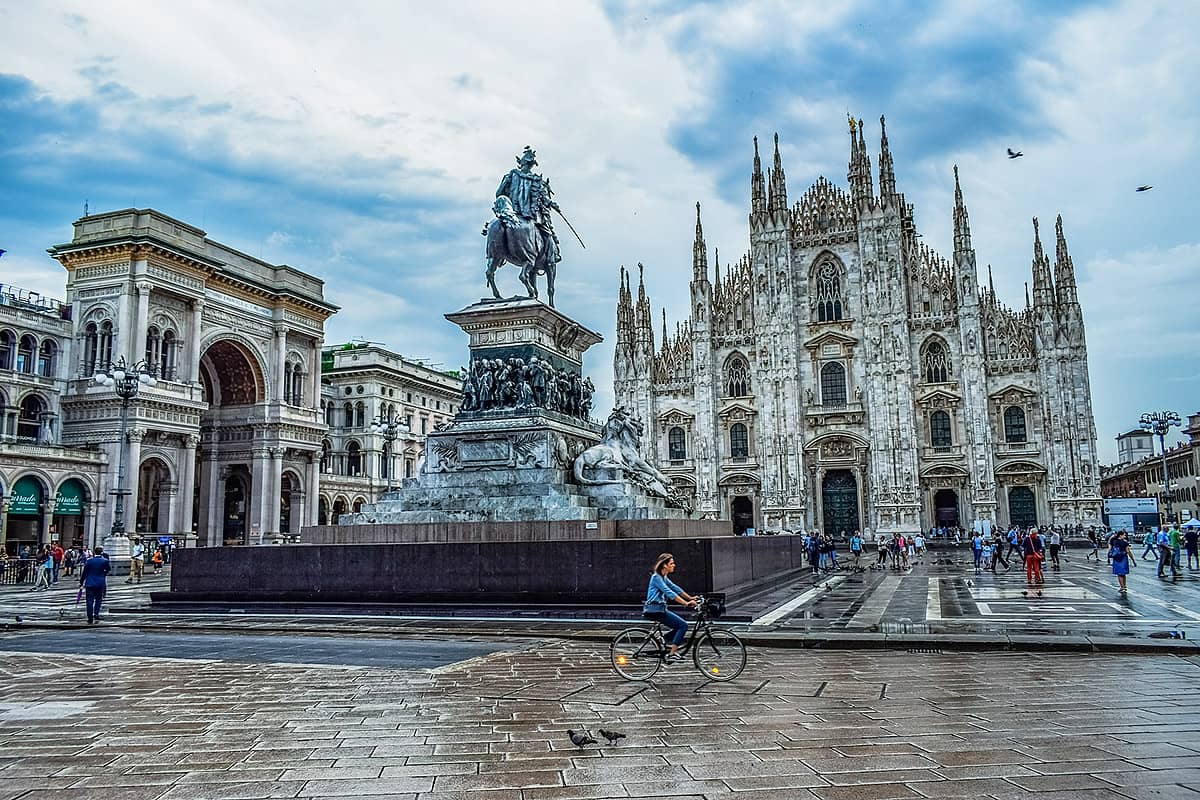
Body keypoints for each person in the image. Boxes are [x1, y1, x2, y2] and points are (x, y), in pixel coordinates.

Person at [642, 553, 697, 662]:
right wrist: (685, 603)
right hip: (655, 610)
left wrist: (690, 597)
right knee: (683, 625)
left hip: (660, 609)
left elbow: (675, 588)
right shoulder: (656, 577)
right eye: (671, 563)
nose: (674, 565)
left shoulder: (663, 577)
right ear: (664, 565)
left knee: (678, 626)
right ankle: (672, 653)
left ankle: (663, 640)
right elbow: (669, 593)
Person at [79, 546, 111, 624]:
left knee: (89, 601)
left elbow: (85, 572)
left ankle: (90, 617)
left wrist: (81, 581)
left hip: (90, 583)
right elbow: (108, 569)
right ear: (102, 552)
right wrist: (103, 574)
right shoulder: (105, 561)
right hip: (100, 583)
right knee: (98, 599)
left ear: (94, 552)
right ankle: (96, 614)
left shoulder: (89, 561)